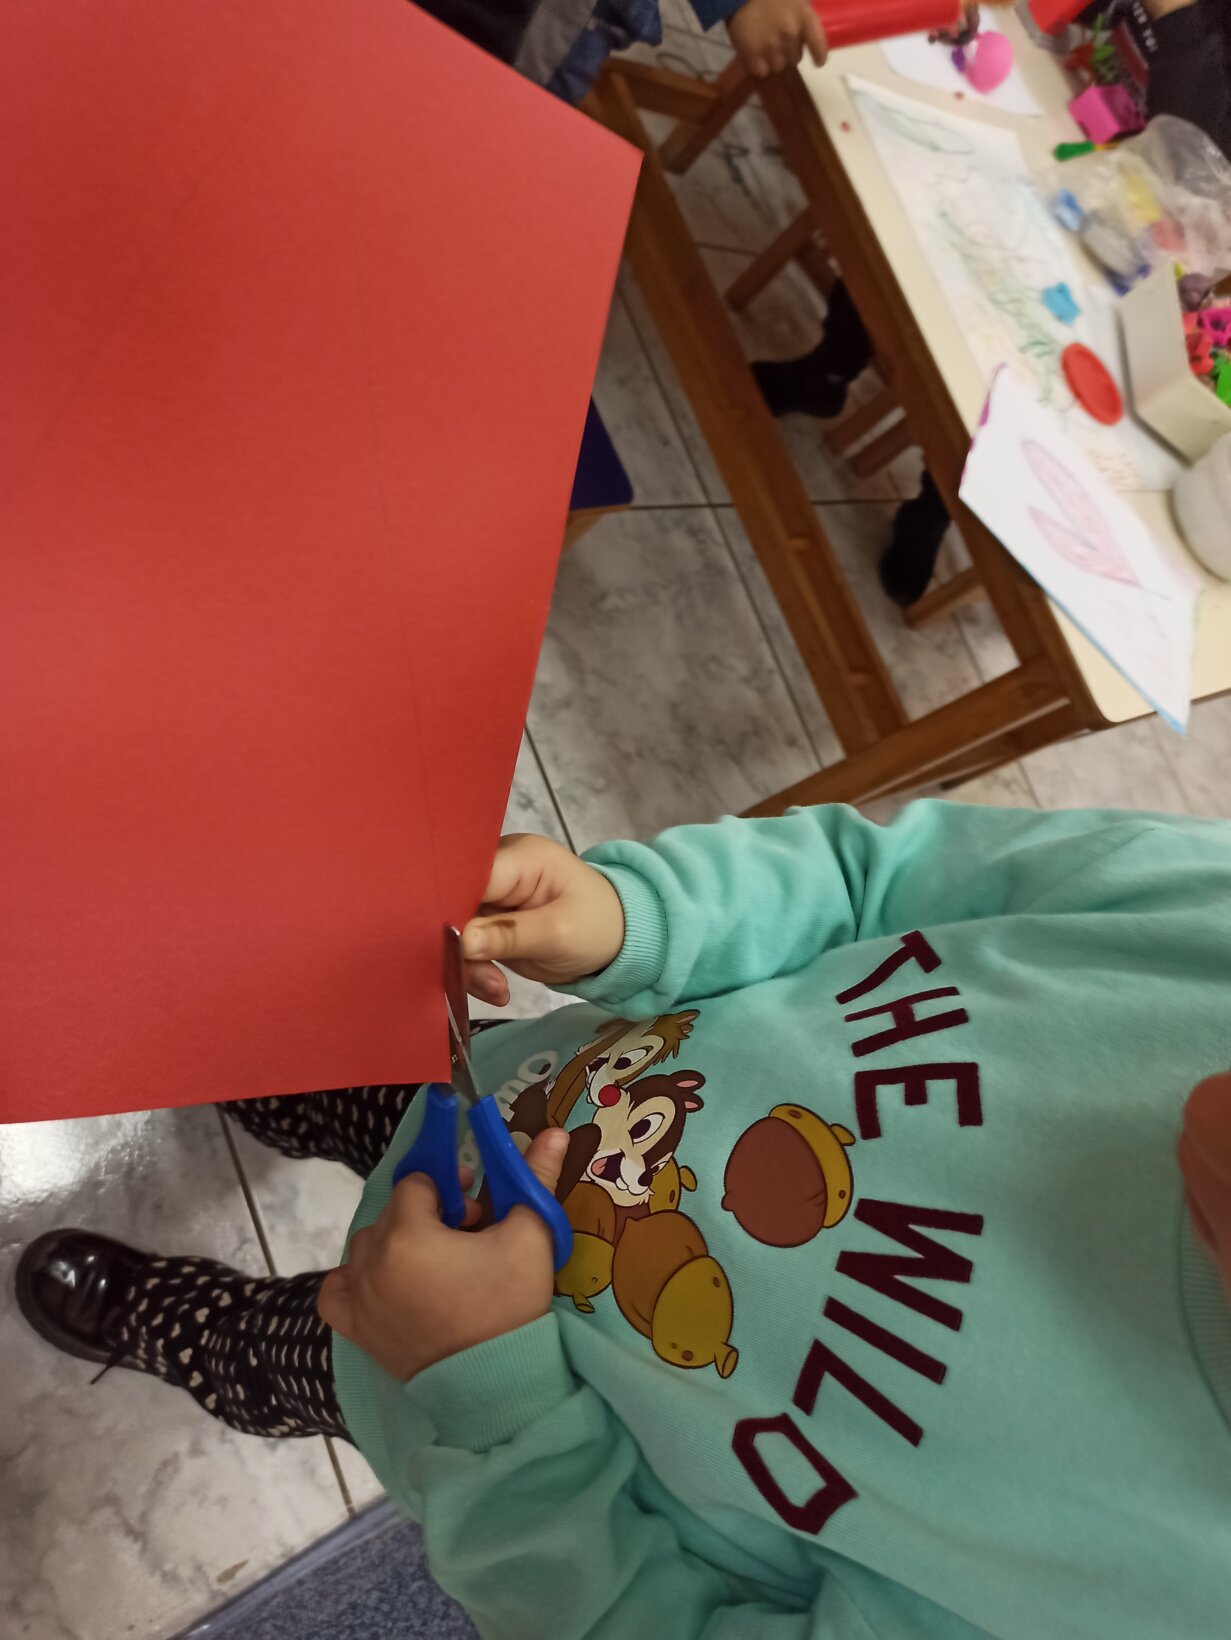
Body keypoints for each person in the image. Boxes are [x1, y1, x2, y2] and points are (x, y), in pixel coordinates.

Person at [19, 802, 1231, 1637]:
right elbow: (881, 877)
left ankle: (193, 1333)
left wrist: (485, 1398)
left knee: (280, 1353)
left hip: (435, 1391)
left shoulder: (1157, 1587)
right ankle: (269, 1074)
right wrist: (638, 915)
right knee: (327, 1071)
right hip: (499, 1081)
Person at [753, 0, 1231, 607]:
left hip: (1146, 244)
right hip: (1063, 134)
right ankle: (828, 369)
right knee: (915, 221)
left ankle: (933, 508)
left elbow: (1202, 149)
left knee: (1016, 370)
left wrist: (1177, 12)